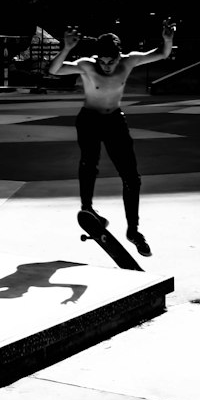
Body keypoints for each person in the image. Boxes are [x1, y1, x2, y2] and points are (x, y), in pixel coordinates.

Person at [49, 18, 177, 257]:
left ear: (120, 55)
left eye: (112, 61)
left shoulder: (129, 61)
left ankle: (133, 231)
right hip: (89, 119)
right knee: (89, 162)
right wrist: (66, 48)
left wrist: (167, 40)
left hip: (114, 121)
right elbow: (54, 70)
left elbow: (160, 54)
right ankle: (87, 209)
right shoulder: (87, 65)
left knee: (131, 177)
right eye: (103, 61)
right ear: (97, 57)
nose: (107, 66)